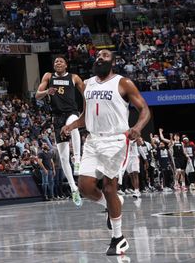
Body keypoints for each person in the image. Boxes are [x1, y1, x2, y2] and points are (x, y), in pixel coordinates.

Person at [61, 49, 151, 257]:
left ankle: (118, 238)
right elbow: (86, 114)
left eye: (105, 56)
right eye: (98, 56)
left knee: (110, 188)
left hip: (117, 140)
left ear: (113, 62)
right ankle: (113, 205)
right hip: (93, 140)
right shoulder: (89, 83)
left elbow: (145, 109)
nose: (99, 58)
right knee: (85, 187)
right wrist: (73, 125)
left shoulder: (123, 83)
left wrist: (137, 127)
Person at [35, 56, 85, 206]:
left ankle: (77, 159)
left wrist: (84, 112)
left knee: (73, 126)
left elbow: (86, 94)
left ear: (66, 65)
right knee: (63, 158)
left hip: (71, 112)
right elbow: (37, 95)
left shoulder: (74, 77)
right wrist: (46, 92)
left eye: (61, 61)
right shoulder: (48, 76)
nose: (58, 63)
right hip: (56, 117)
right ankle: (73, 188)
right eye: (55, 61)